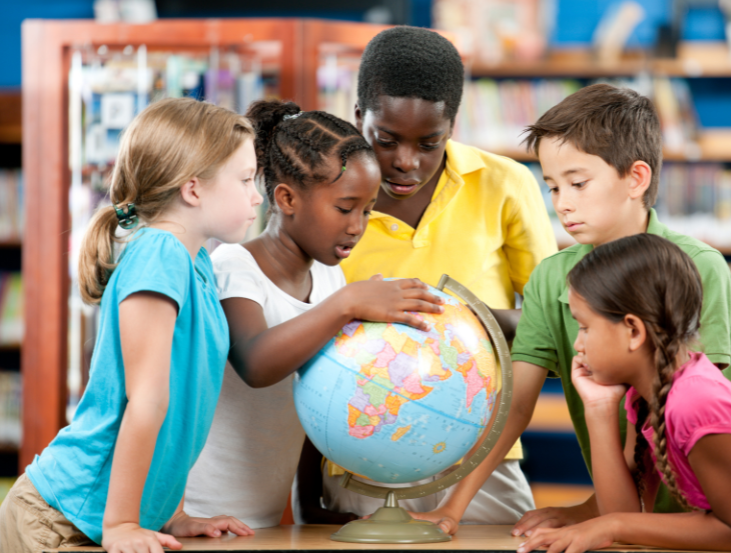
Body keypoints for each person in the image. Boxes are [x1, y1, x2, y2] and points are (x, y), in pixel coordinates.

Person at [420, 83, 731, 535]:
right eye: (552, 187)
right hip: (626, 512)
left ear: (636, 178)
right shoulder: (551, 278)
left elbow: (681, 404)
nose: (562, 204)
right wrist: (451, 508)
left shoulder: (697, 266)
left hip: (713, 515)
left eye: (578, 183)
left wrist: (601, 513)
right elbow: (515, 407)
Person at [293, 25, 557, 527]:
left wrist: (465, 319)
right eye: (385, 140)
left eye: (429, 142)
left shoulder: (505, 185)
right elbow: (294, 341)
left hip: (479, 453)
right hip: (355, 447)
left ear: (453, 126)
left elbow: (552, 321)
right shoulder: (320, 200)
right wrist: (306, 490)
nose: (405, 161)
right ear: (357, 119)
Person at [0, 97, 263, 553]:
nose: (257, 195)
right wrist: (122, 522)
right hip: (61, 518)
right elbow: (146, 399)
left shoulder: (195, 260)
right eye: (244, 180)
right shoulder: (159, 253)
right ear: (194, 189)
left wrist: (171, 514)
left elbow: (185, 407)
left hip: (105, 518)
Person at [183, 99, 444, 529]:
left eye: (367, 209)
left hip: (260, 519)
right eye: (345, 208)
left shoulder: (329, 281)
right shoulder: (233, 266)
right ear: (286, 199)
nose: (357, 226)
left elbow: (315, 401)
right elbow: (255, 361)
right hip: (196, 512)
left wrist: (307, 502)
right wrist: (346, 306)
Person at [518, 234, 731, 553]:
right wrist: (599, 409)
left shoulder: (696, 402)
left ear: (634, 331)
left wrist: (610, 526)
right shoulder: (645, 396)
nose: (577, 345)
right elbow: (623, 511)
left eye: (584, 327)